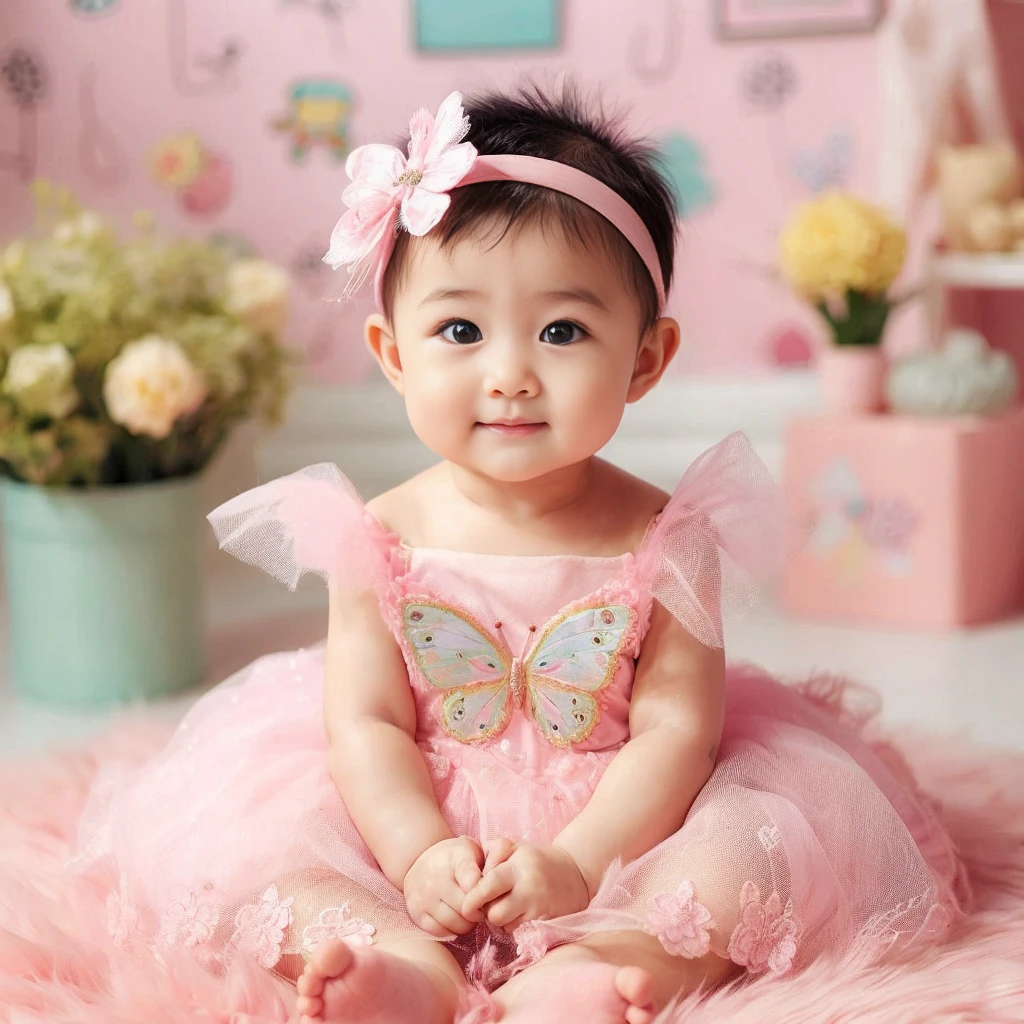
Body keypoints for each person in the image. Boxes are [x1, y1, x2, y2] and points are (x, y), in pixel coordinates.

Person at [81, 84, 966, 1024]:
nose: (509, 372)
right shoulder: (375, 531)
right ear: (393, 353)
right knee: (278, 852)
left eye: (563, 330)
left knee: (739, 862)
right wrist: (419, 852)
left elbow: (676, 734)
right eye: (460, 330)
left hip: (625, 820)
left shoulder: (669, 537)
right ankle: (401, 963)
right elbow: (370, 725)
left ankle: (606, 969)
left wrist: (583, 864)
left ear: (645, 359)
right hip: (411, 807)